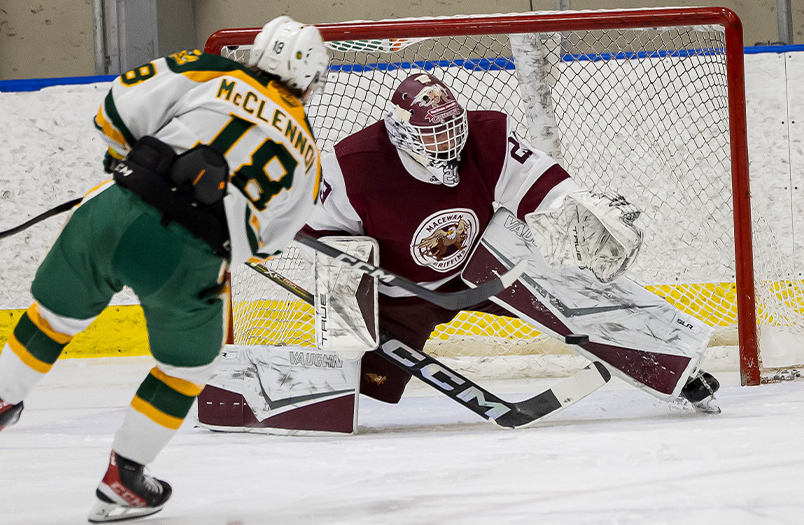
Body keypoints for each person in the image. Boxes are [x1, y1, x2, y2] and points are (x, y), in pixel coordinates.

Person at [0, 15, 329, 523]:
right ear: (312, 77)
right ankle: (124, 478)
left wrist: (132, 164)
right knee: (185, 369)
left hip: (114, 210)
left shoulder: (206, 69)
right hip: (193, 255)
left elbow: (113, 110)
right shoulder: (308, 157)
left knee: (55, 317)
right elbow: (266, 246)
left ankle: (0, 401)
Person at [303, 71, 720, 409]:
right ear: (399, 133)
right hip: (399, 295)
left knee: (568, 282)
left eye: (452, 127)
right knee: (361, 381)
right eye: (434, 134)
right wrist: (350, 288)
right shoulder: (350, 167)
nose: (448, 141)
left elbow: (542, 187)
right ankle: (324, 396)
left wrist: (576, 209)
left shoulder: (486, 138)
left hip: (482, 269)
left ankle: (674, 361)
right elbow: (318, 234)